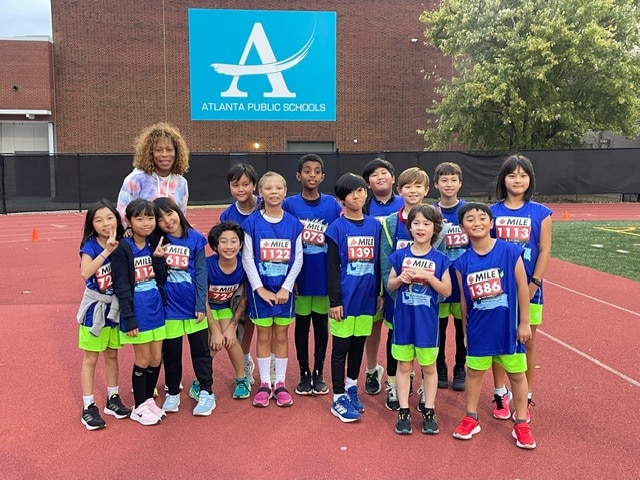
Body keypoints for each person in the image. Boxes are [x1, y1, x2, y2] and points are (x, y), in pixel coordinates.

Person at [452, 202, 536, 449]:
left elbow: (522, 287)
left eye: (481, 218)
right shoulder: (462, 262)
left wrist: (524, 323)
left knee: (517, 375)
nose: (476, 222)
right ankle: (471, 417)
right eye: (470, 219)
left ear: (491, 223)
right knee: (474, 373)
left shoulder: (510, 252)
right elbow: (464, 300)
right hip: (479, 330)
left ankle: (521, 422)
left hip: (508, 328)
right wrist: (466, 333)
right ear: (462, 227)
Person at [490, 154, 552, 422]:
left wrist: (534, 282)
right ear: (503, 179)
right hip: (498, 290)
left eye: (523, 175)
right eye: (512, 175)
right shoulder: (491, 212)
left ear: (530, 180)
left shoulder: (541, 212)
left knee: (528, 341)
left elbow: (545, 249)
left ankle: (525, 394)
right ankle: (499, 392)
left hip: (531, 287)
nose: (518, 180)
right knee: (498, 342)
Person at [387, 204, 451, 435]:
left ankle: (429, 409)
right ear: (409, 227)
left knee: (428, 367)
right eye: (416, 223)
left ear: (435, 229)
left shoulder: (440, 258)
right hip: (404, 321)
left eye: (426, 223)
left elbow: (446, 290)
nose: (421, 228)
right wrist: (400, 279)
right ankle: (403, 410)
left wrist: (428, 277)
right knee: (404, 366)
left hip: (427, 324)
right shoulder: (400, 255)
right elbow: (390, 285)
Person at [241, 172, 303, 408]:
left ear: (285, 192)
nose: (274, 192)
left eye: (279, 188)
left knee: (281, 335)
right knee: (264, 336)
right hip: (262, 293)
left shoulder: (294, 224)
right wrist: (259, 288)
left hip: (283, 292)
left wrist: (286, 287)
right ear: (261, 192)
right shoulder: (252, 223)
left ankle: (280, 383)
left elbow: (298, 259)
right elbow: (248, 258)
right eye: (269, 188)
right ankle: (265, 383)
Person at [283, 154, 342, 396]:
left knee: (320, 326)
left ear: (323, 177)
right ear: (298, 176)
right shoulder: (290, 205)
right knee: (301, 327)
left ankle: (318, 371)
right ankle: (304, 371)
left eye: (317, 171)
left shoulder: (331, 205)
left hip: (323, 277)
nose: (312, 175)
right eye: (307, 171)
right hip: (300, 277)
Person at [325, 173, 383, 422]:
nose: (357, 196)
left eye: (360, 190)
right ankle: (338, 397)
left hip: (367, 298)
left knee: (359, 345)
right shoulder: (336, 228)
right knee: (341, 349)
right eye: (351, 193)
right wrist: (335, 301)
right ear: (341, 199)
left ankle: (351, 387)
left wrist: (379, 292)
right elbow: (332, 268)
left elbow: (379, 262)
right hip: (345, 300)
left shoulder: (375, 226)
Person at [153, 197, 215, 416]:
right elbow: (158, 278)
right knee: (171, 354)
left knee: (201, 352)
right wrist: (158, 259)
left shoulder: (196, 239)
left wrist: (200, 304)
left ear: (177, 211)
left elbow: (201, 274)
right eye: (160, 219)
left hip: (193, 308)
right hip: (169, 309)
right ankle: (172, 392)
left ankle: (207, 391)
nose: (167, 221)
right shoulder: (158, 242)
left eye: (169, 214)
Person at [110, 198, 168, 426]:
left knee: (156, 358)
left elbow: (161, 279)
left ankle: (147, 402)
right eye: (140, 218)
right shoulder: (123, 248)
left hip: (156, 308)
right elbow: (121, 285)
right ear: (129, 221)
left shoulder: (154, 243)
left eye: (150, 217)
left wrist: (159, 261)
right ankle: (139, 406)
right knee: (142, 359)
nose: (146, 223)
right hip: (138, 310)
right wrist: (129, 318)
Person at [76, 199, 130, 430]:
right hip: (95, 310)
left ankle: (113, 398)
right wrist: (107, 250)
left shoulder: (124, 242)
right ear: (92, 224)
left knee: (112, 354)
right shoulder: (91, 246)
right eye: (98, 220)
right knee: (91, 358)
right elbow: (85, 272)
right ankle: (88, 406)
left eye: (109, 217)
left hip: (114, 309)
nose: (105, 223)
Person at [378, 167, 430, 411]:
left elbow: (437, 257)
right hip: (397, 295)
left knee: (426, 341)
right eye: (408, 186)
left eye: (418, 186)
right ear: (399, 190)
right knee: (395, 338)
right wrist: (393, 292)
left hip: (425, 297)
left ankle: (422, 385)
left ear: (426, 190)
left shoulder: (433, 218)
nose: (413, 190)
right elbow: (386, 259)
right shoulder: (390, 222)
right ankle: (394, 382)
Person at [361, 158, 404, 397]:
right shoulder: (364, 206)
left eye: (384, 172)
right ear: (368, 183)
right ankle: (371, 369)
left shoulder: (405, 204)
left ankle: (400, 374)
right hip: (372, 274)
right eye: (374, 174)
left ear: (393, 178)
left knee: (398, 326)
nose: (380, 177)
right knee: (374, 324)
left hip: (399, 273)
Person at [219, 163, 261, 384]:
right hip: (238, 274)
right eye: (236, 185)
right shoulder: (228, 214)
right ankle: (245, 358)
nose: (241, 189)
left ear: (254, 185)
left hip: (264, 272)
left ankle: (268, 361)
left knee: (257, 317)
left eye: (246, 184)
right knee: (241, 317)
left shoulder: (265, 206)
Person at [432, 162, 468, 392]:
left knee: (463, 327)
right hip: (440, 280)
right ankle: (440, 365)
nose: (449, 184)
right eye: (444, 180)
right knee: (440, 329)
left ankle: (460, 367)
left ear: (460, 183)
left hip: (464, 280)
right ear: (436, 184)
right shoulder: (431, 211)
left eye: (453, 179)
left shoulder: (468, 209)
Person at [206, 221, 252, 400]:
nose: (229, 246)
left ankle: (242, 379)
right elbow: (202, 298)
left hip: (225, 308)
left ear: (241, 244)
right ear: (215, 245)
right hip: (206, 309)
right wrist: (215, 330)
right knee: (214, 343)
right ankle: (201, 380)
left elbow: (245, 299)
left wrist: (232, 327)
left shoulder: (244, 265)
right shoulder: (208, 265)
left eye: (234, 241)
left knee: (229, 340)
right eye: (223, 241)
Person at [117, 122, 190, 223]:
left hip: (169, 237)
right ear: (150, 154)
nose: (164, 154)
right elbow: (122, 214)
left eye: (169, 150)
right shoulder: (135, 179)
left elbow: (181, 217)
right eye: (158, 150)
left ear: (177, 153)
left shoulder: (181, 183)